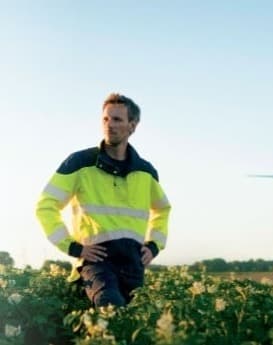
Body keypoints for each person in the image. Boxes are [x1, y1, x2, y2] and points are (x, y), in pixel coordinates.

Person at [36, 93, 171, 307]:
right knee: (109, 306)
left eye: (117, 120)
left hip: (133, 263)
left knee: (134, 321)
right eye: (105, 119)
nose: (109, 125)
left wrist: (154, 246)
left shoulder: (146, 171)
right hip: (96, 261)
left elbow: (163, 210)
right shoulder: (80, 162)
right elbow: (46, 206)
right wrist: (73, 247)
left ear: (132, 126)